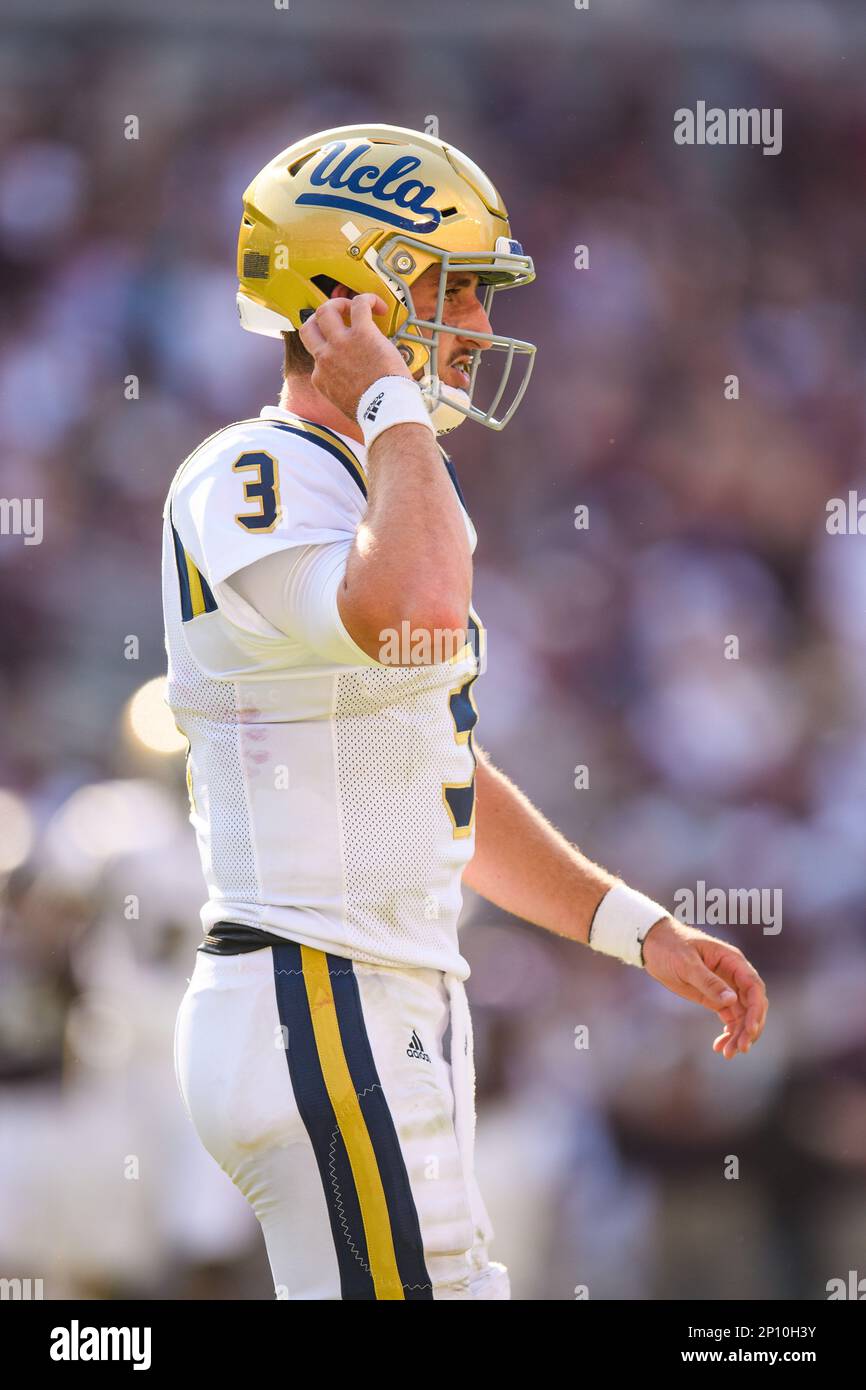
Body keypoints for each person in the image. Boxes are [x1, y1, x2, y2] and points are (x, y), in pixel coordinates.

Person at [166, 123, 768, 1300]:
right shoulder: (256, 467)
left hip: (371, 992)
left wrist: (632, 927)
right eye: (452, 290)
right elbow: (415, 609)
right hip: (317, 989)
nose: (479, 329)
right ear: (350, 295)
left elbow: (432, 768)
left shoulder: (373, 481)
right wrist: (388, 399)